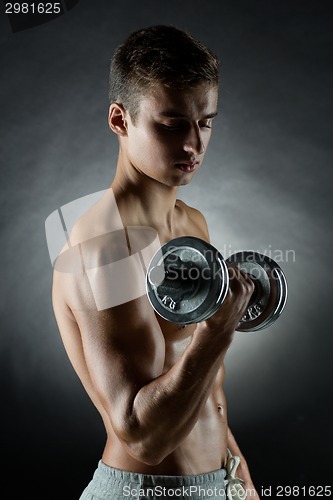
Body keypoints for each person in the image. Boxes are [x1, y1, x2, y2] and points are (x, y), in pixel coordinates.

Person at [51, 25, 261, 499]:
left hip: (218, 482)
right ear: (120, 120)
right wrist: (218, 330)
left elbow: (202, 386)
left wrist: (239, 475)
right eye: (171, 124)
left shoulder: (192, 224)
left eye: (205, 122)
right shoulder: (102, 247)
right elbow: (143, 436)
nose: (194, 144)